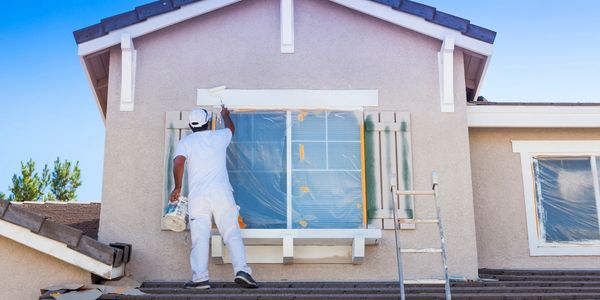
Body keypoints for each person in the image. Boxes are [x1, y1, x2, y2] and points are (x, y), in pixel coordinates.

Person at [170, 107, 258, 289]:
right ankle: (242, 271)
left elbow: (178, 162)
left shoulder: (185, 142)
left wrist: (177, 187)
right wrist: (226, 115)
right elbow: (231, 129)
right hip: (222, 193)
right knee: (231, 232)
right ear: (208, 122)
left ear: (190, 126)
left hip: (198, 197)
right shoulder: (219, 137)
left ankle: (200, 279)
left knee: (200, 237)